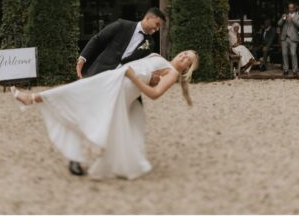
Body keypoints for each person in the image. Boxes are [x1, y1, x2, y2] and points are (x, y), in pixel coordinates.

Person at [11, 51, 197, 180]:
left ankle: (32, 98)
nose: (183, 55)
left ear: (187, 67)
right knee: (79, 93)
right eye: (184, 52)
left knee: (79, 94)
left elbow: (154, 94)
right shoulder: (159, 58)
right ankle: (33, 98)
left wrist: (133, 78)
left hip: (121, 88)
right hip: (114, 78)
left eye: (187, 58)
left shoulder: (172, 73)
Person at [68, 7, 167, 176]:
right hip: (100, 75)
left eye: (159, 27)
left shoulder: (150, 43)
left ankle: (121, 157)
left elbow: (143, 66)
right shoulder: (122, 25)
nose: (156, 29)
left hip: (122, 83)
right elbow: (98, 39)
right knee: (90, 116)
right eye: (157, 24)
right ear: (149, 18)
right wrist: (82, 59)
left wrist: (152, 78)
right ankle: (75, 159)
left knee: (129, 116)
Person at [278, 3, 299, 76]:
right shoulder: (284, 15)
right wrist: (283, 19)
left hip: (293, 38)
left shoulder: (298, 16)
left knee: (293, 54)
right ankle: (286, 70)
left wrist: (292, 19)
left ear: (294, 8)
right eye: (289, 8)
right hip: (284, 38)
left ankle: (295, 70)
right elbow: (279, 24)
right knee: (284, 54)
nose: (290, 9)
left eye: (291, 8)